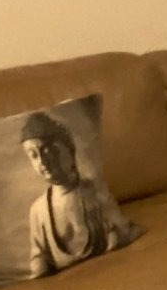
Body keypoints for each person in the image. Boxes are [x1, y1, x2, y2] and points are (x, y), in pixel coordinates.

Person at [20, 112, 133, 277]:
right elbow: (39, 256)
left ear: (70, 149)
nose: (43, 161)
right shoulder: (38, 211)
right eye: (34, 155)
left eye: (49, 151)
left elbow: (118, 229)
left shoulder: (94, 190)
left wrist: (113, 242)